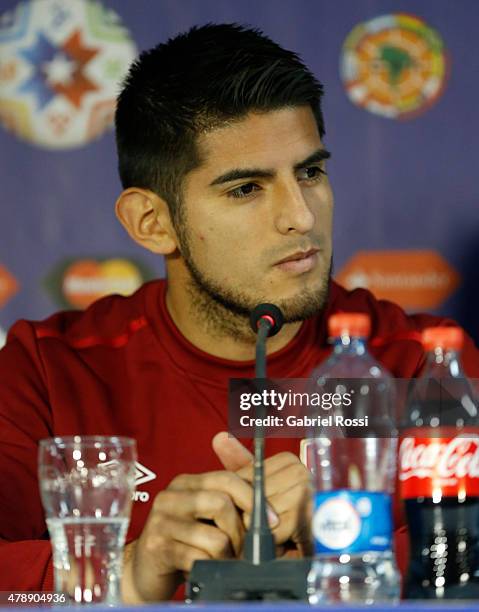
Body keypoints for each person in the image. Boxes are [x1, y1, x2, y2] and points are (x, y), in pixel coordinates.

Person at [0, 23, 477, 602]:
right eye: (247, 189)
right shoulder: (48, 371)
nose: (300, 217)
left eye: (310, 172)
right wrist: (125, 569)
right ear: (153, 222)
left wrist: (351, 539)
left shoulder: (424, 363)